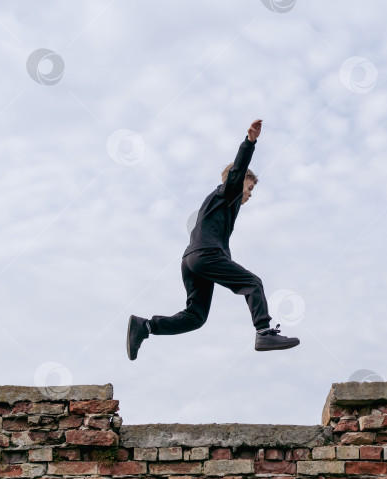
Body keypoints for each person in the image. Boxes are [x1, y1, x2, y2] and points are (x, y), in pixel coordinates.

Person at [126, 119, 300, 360]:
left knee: (195, 316)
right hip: (205, 256)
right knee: (252, 283)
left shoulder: (219, 204)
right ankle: (264, 331)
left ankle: (145, 326)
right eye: (249, 189)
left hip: (191, 260)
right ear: (236, 183)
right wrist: (250, 142)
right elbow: (238, 171)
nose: (249, 194)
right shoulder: (226, 193)